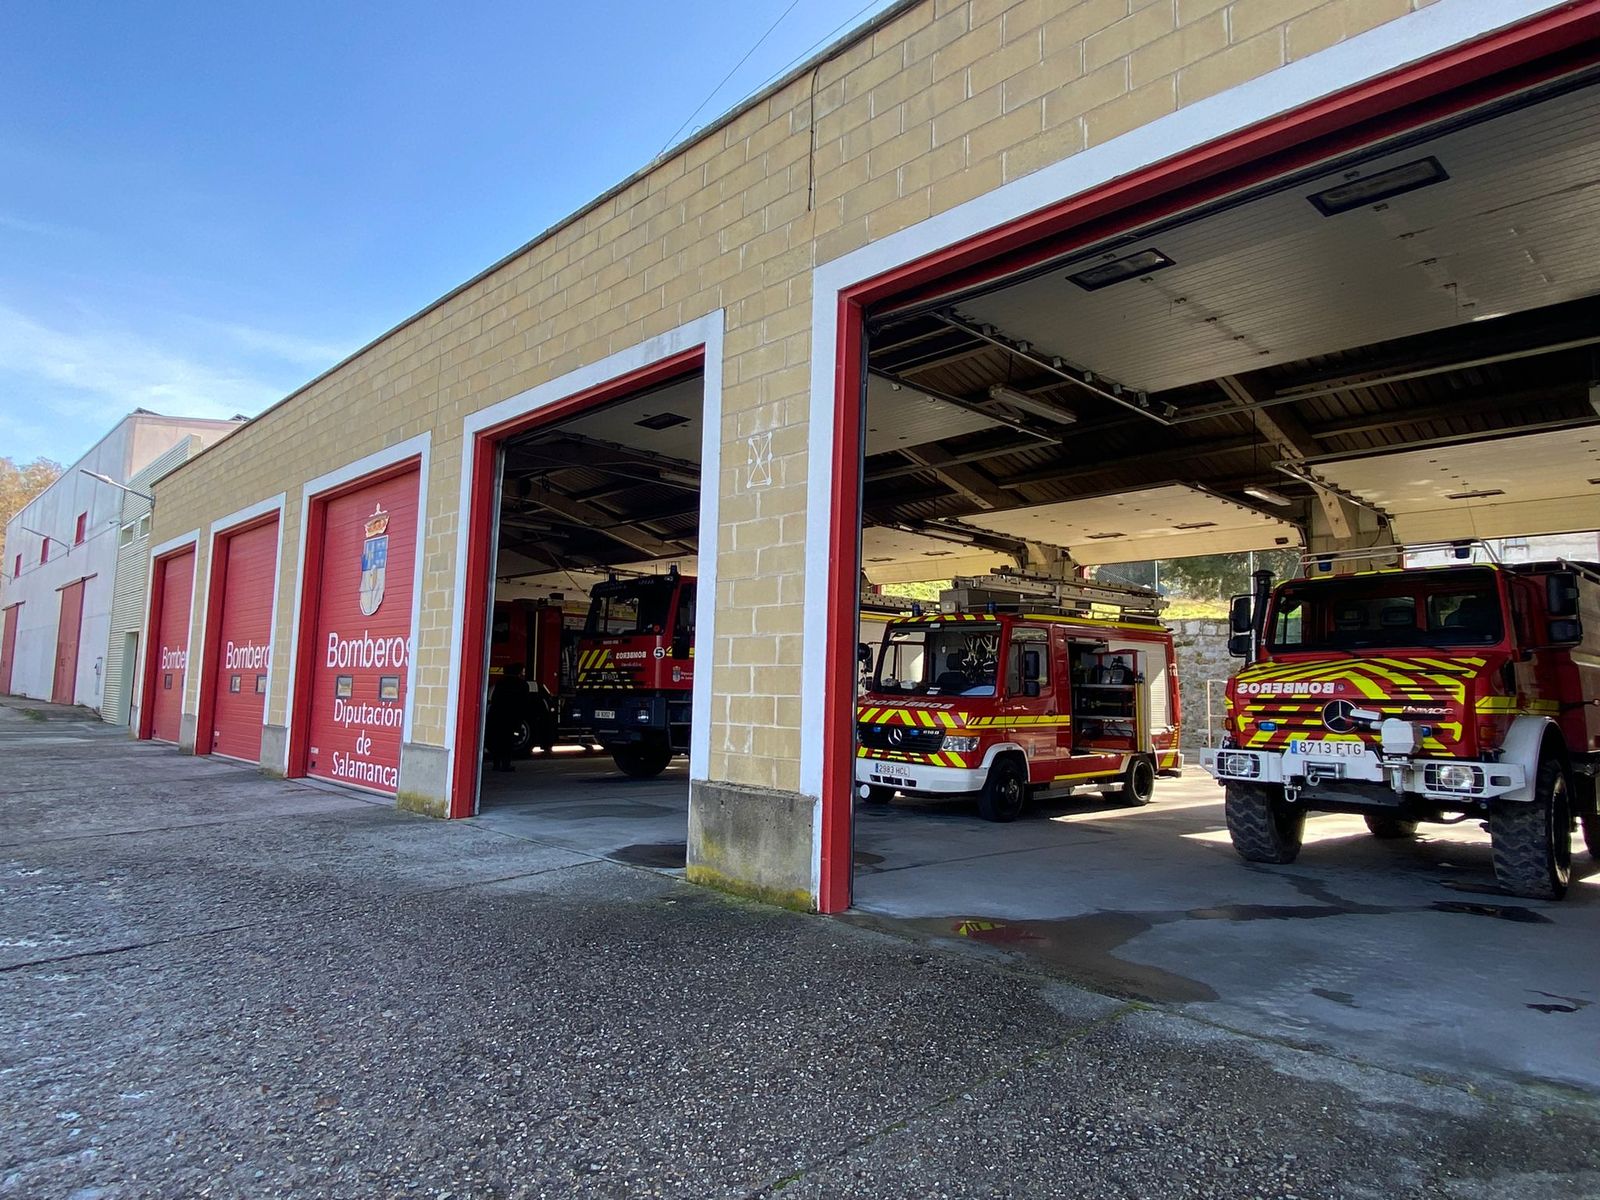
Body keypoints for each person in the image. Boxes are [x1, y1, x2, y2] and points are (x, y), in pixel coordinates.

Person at [486, 662, 529, 773]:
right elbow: (523, 703)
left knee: (497, 740)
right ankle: (506, 764)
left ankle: (496, 764)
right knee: (508, 741)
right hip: (511, 717)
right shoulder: (522, 684)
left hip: (497, 715)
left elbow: (495, 699)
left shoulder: (500, 683)